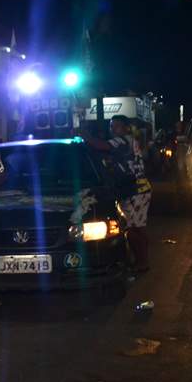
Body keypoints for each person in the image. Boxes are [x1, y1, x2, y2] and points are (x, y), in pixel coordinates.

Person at [80, 115, 152, 273]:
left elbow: (100, 145)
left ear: (126, 128)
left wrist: (83, 134)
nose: (112, 129)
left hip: (136, 191)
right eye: (111, 126)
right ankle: (142, 261)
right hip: (135, 190)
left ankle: (142, 262)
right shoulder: (127, 142)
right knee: (138, 228)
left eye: (116, 126)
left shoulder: (124, 141)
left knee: (132, 229)